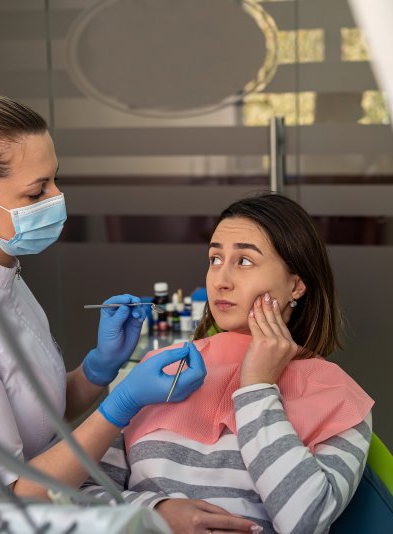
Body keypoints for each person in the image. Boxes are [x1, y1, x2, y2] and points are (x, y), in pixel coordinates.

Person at [0, 93, 216, 506]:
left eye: (55, 180)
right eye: (37, 193)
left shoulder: (1, 276)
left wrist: (98, 368)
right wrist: (124, 403)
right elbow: (12, 497)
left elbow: (35, 416)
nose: (57, 199)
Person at [80, 193, 375, 534]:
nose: (221, 279)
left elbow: (304, 522)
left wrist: (257, 389)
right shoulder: (160, 370)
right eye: (215, 258)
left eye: (245, 261)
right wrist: (155, 513)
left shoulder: (338, 396)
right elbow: (78, 493)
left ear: (296, 285)